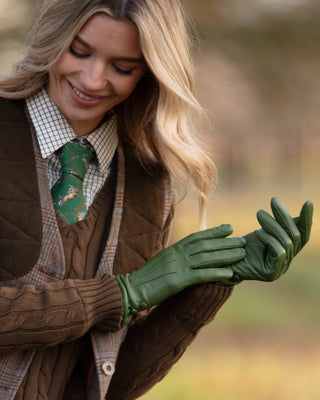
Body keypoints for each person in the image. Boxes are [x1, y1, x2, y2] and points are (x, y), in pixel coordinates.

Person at [0, 0, 313, 399]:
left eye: (123, 67)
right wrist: (124, 294)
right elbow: (127, 294)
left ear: (149, 72)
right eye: (79, 51)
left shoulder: (148, 184)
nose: (94, 79)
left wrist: (214, 279)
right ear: (52, 37)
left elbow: (117, 381)